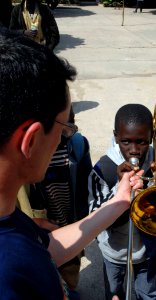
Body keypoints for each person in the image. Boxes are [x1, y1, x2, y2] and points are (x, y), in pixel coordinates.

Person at [0, 28, 143, 300]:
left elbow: (45, 249)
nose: (66, 138)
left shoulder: (8, 218)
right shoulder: (6, 277)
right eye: (65, 128)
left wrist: (120, 201)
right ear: (29, 142)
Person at [88, 103, 156, 300]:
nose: (134, 150)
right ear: (116, 136)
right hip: (114, 252)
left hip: (149, 251)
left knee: (149, 293)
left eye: (141, 142)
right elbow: (94, 216)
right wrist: (120, 191)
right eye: (125, 142)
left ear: (151, 138)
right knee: (115, 292)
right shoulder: (102, 169)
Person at [18, 106, 93, 300]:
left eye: (71, 127)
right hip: (41, 232)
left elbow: (87, 185)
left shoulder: (78, 145)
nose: (63, 137)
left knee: (70, 273)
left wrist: (83, 220)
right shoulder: (27, 156)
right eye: (59, 129)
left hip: (70, 223)